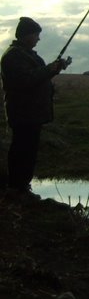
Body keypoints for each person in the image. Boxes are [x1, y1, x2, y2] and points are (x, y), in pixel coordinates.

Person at [1, 17, 72, 199]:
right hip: (22, 112)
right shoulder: (12, 56)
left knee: (29, 151)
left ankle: (22, 187)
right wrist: (51, 69)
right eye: (36, 35)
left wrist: (56, 68)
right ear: (26, 35)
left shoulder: (28, 55)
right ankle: (16, 188)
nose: (38, 39)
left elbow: (39, 76)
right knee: (21, 150)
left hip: (32, 113)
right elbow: (26, 80)